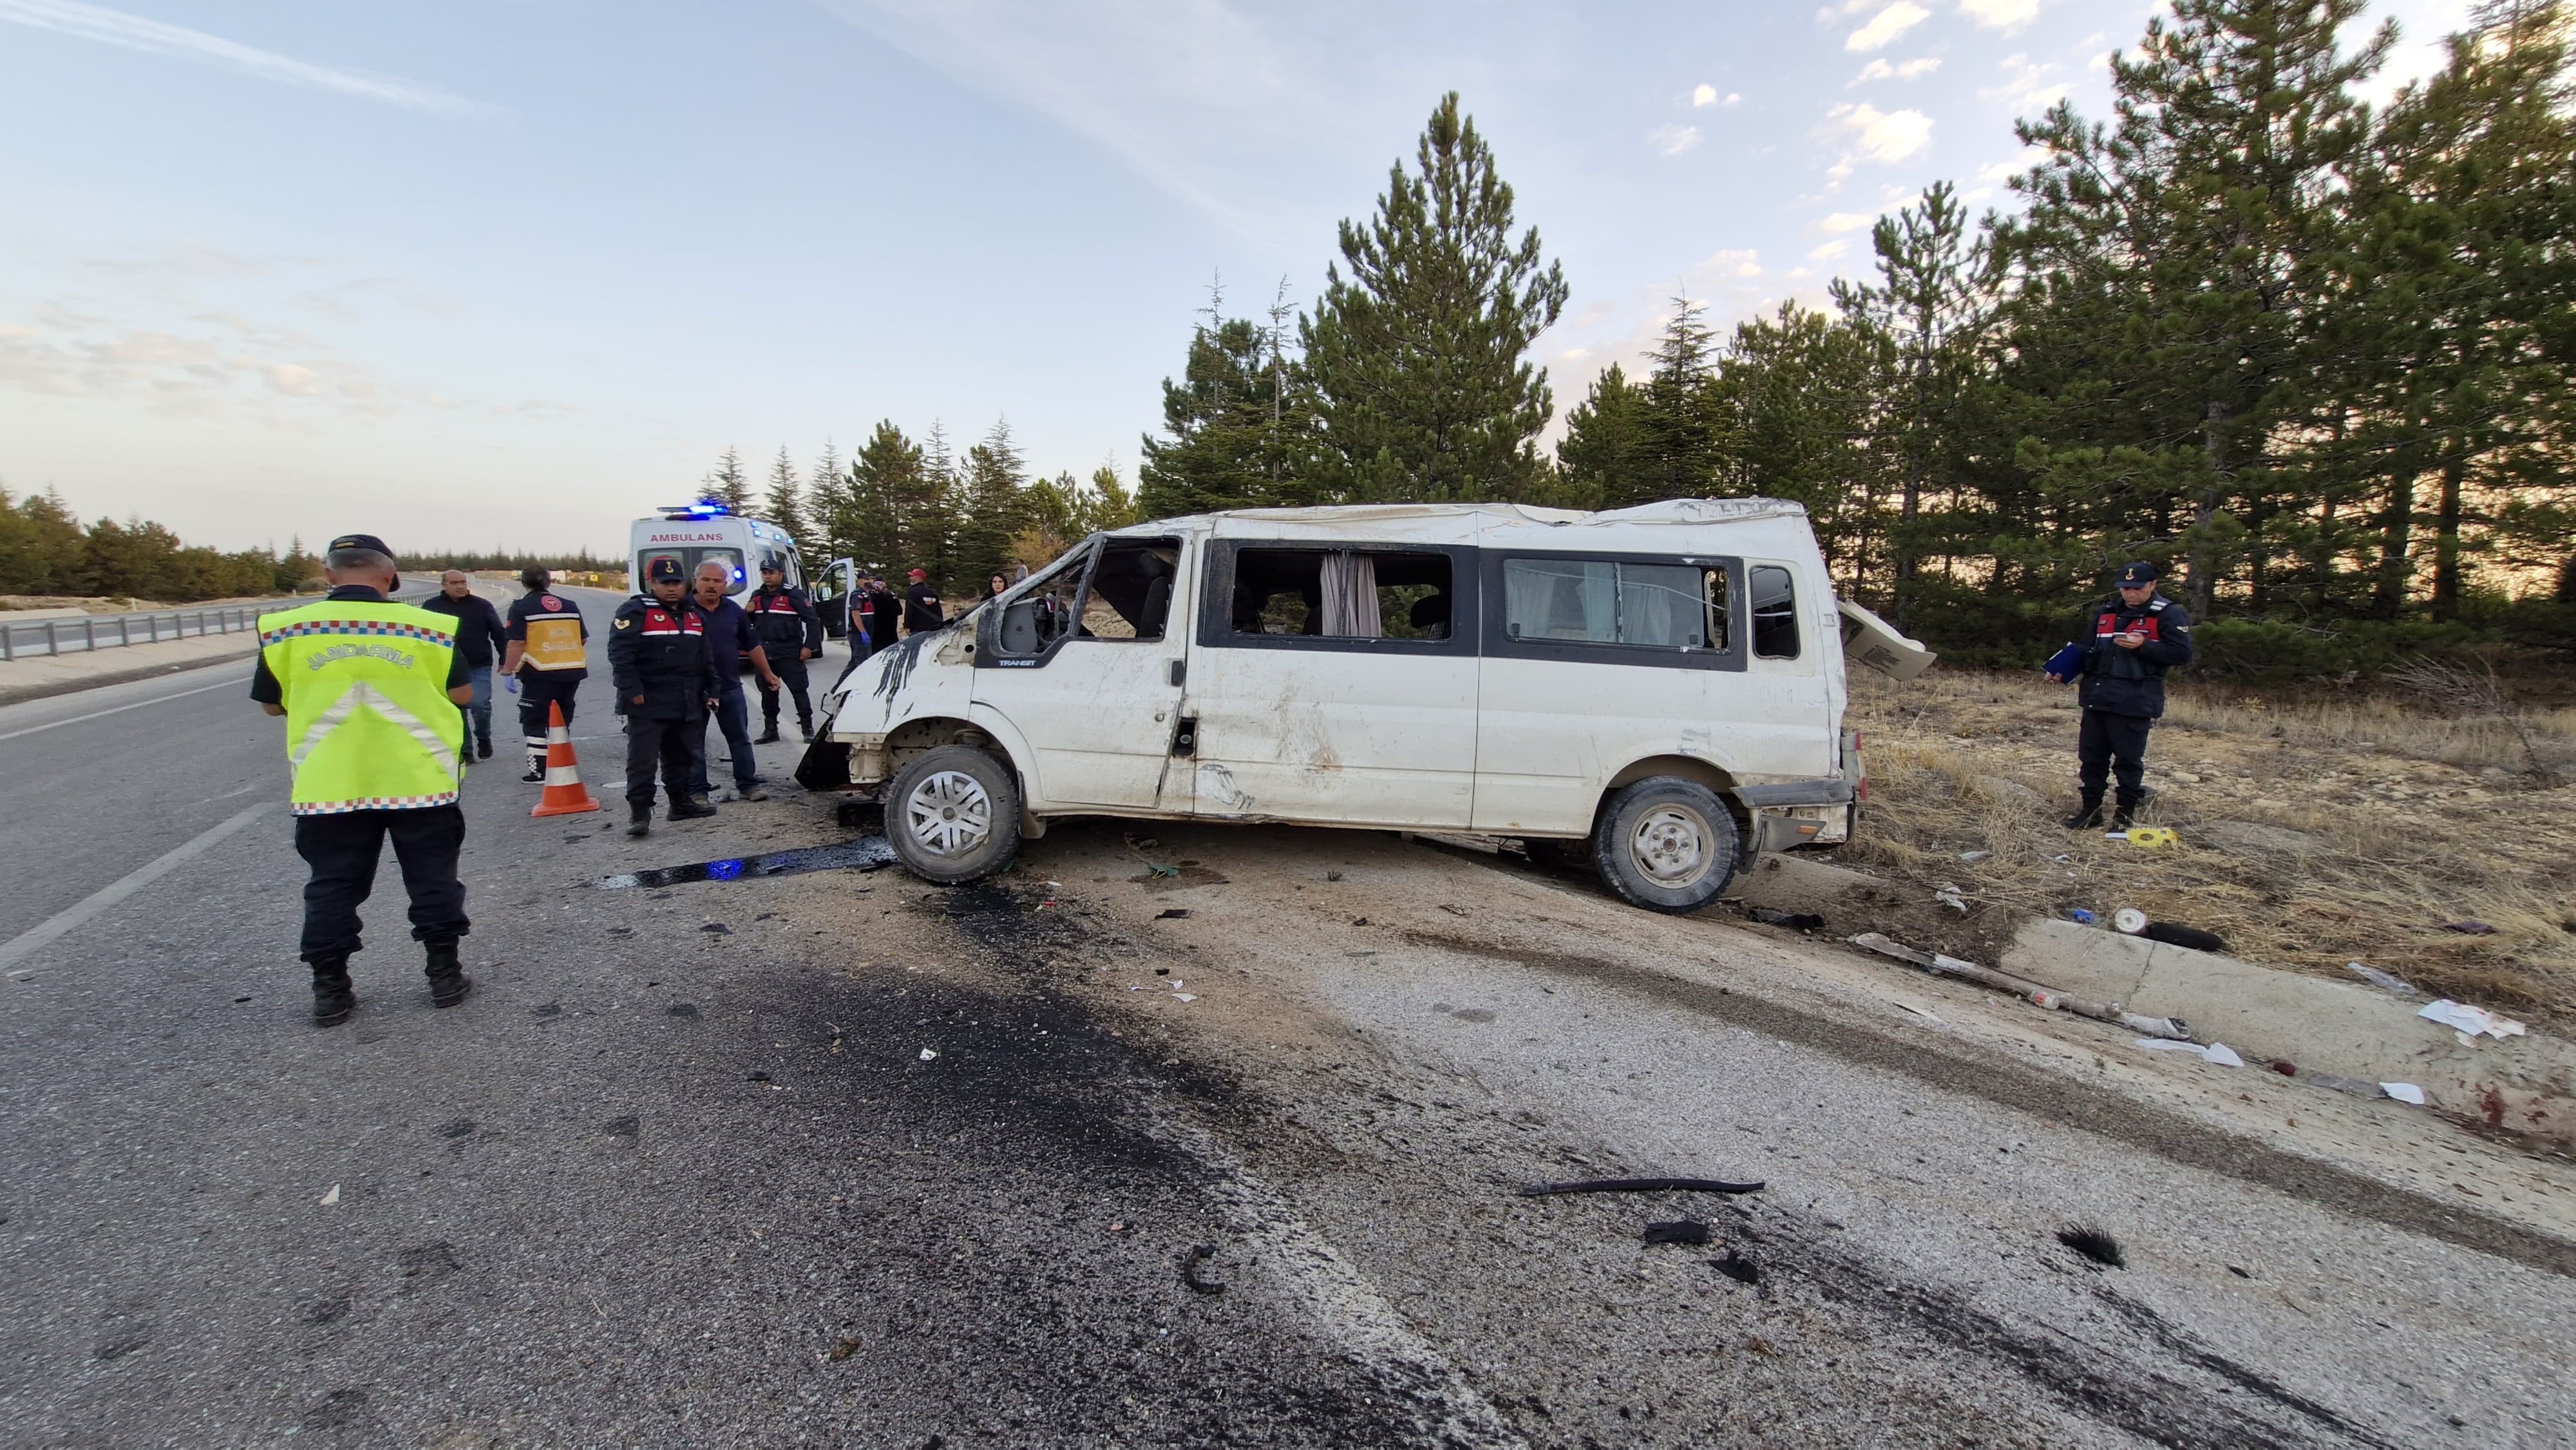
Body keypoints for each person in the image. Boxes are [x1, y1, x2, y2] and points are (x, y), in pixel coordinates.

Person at [252, 534, 476, 1026]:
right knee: (432, 879)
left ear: (329, 575)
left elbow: (272, 704)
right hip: (419, 779)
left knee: (332, 885)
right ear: (391, 578)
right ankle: (444, 975)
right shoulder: (429, 627)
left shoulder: (286, 629)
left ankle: (331, 990)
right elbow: (461, 695)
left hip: (330, 786)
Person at [2047, 561, 2194, 829]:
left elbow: (2182, 654)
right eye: (2125, 588)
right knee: (2091, 758)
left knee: (2127, 762)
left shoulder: (2169, 614)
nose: (2131, 594)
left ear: (2152, 585)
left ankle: (2123, 818)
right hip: (2097, 696)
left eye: (2137, 588)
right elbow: (2086, 647)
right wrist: (2061, 670)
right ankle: (2090, 813)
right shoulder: (2106, 613)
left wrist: (2145, 645)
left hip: (2135, 699)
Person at [609, 557, 720, 837]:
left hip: (686, 699)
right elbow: (621, 656)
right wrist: (632, 691)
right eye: (664, 583)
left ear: (685, 584)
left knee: (680, 756)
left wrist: (713, 690)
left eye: (676, 582)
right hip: (648, 700)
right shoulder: (635, 610)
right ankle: (640, 813)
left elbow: (706, 658)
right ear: (652, 584)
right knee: (642, 760)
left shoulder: (694, 614)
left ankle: (680, 803)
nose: (671, 588)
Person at [687, 560, 775, 803]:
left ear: (725, 585)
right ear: (696, 582)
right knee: (693, 742)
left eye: (717, 581)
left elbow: (752, 644)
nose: (712, 586)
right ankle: (697, 791)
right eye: (706, 580)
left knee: (740, 738)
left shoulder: (733, 611)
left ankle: (748, 784)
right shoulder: (683, 609)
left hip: (728, 686)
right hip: (693, 689)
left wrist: (767, 673)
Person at [501, 566, 589, 782]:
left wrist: (507, 670)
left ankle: (539, 769)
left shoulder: (521, 607)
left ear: (524, 583)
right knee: (561, 718)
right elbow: (583, 638)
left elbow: (516, 643)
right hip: (572, 670)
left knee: (534, 719)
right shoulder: (569, 606)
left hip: (539, 671)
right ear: (549, 582)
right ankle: (563, 763)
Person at [418, 570, 506, 763]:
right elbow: (421, 637)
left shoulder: (482, 606)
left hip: (478, 665)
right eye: (454, 583)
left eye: (463, 582)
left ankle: (483, 737)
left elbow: (499, 633)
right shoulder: (431, 607)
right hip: (447, 667)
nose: (460, 586)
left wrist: (504, 659)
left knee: (479, 705)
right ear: (444, 585)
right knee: (457, 709)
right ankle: (466, 750)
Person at [746, 555, 824, 743]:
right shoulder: (757, 596)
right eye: (764, 573)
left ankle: (807, 728)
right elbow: (748, 624)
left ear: (780, 574)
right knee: (768, 694)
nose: (767, 577)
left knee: (799, 691)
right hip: (765, 654)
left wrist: (809, 646)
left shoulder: (792, 594)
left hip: (789, 652)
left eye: (771, 573)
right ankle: (770, 729)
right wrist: (747, 613)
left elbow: (812, 620)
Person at [857, 572, 901, 654]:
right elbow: (899, 611)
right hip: (890, 631)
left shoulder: (870, 595)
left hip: (876, 631)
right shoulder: (891, 595)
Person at [902, 567, 945, 636]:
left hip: (917, 628)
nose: (910, 578)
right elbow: (938, 610)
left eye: (912, 576)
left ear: (918, 578)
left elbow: (909, 609)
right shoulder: (932, 592)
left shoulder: (912, 591)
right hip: (933, 627)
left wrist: (907, 626)